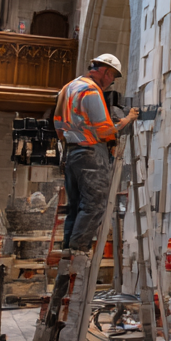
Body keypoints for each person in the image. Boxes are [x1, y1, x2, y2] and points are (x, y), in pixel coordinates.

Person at [53, 53, 140, 252]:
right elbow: (105, 130)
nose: (110, 82)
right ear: (105, 72)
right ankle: (78, 251)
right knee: (95, 205)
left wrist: (69, 140)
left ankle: (69, 251)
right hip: (90, 153)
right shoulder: (91, 90)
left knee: (75, 208)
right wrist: (128, 119)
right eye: (112, 77)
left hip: (71, 153)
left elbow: (57, 124)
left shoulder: (68, 87)